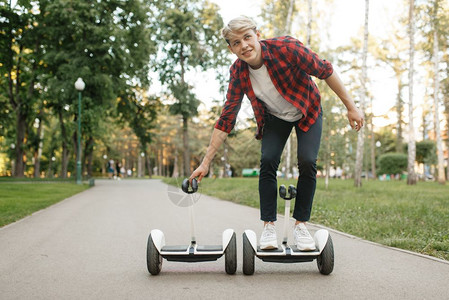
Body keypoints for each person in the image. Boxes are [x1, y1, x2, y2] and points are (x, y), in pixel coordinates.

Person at [189, 16, 364, 251]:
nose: (244, 46)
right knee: (268, 161)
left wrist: (351, 107)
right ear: (231, 48)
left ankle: (301, 226)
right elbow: (226, 118)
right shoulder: (238, 72)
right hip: (274, 118)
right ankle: (269, 226)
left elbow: (325, 70)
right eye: (236, 43)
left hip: (307, 110)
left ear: (257, 34)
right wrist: (205, 162)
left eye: (247, 37)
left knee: (308, 161)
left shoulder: (287, 48)